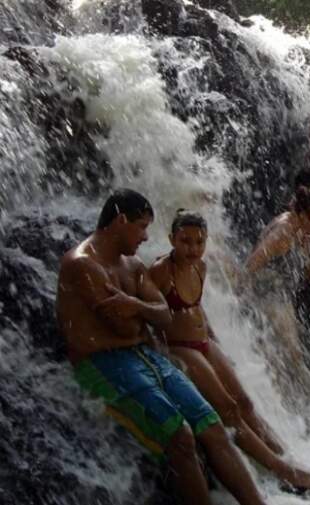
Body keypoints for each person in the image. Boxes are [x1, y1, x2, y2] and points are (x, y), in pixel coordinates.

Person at [57, 190, 267, 505]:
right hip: (102, 364)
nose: (145, 237)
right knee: (180, 436)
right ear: (121, 220)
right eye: (142, 227)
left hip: (144, 354)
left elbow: (165, 316)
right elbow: (125, 327)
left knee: (212, 425)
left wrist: (135, 307)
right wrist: (144, 314)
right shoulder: (82, 264)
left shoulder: (132, 265)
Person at [149, 210, 310, 491]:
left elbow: (196, 308)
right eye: (185, 241)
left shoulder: (200, 267)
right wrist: (159, 352)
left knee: (245, 402)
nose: (193, 248)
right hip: (180, 347)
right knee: (228, 409)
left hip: (204, 342)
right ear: (172, 240)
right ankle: (282, 470)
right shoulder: (160, 270)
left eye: (199, 242)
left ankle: (287, 456)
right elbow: (149, 314)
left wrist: (214, 339)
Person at [245, 187, 310, 377]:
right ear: (307, 212)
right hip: (267, 298)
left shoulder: (299, 229)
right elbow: (252, 263)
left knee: (292, 355)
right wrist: (243, 297)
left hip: (280, 297)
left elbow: (304, 259)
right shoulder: (284, 231)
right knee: (292, 356)